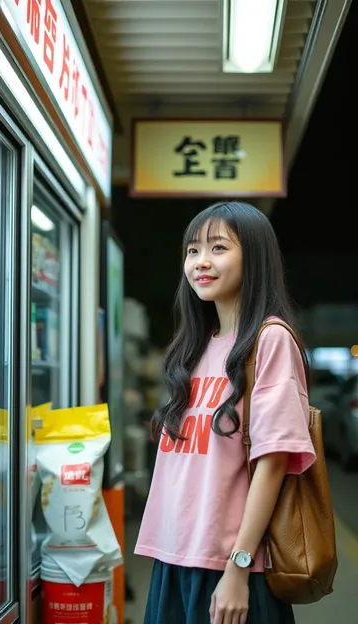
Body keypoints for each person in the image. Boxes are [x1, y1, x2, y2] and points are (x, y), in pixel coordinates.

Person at [134, 201, 316, 624]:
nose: (201, 262)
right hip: (175, 559)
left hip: (233, 567)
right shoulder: (193, 347)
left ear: (254, 259)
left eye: (218, 248)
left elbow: (273, 462)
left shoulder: (269, 341)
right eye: (193, 250)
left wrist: (238, 567)